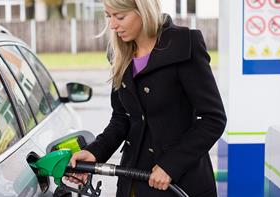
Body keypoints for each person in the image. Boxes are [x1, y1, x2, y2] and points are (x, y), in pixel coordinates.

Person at [68, 0, 227, 196]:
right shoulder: (118, 53)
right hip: (133, 182)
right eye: (109, 16)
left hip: (182, 184)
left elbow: (213, 119)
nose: (112, 25)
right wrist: (94, 152)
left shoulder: (184, 44)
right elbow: (122, 118)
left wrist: (171, 165)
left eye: (120, 16)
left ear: (143, 10)